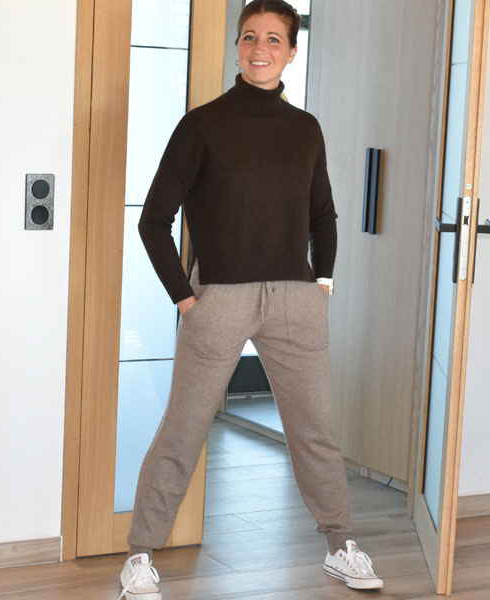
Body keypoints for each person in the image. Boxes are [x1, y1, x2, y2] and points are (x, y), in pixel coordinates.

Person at [118, 1, 383, 598]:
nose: (259, 49)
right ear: (237, 46)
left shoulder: (305, 128)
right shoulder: (201, 126)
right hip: (219, 300)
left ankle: (340, 547)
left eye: (273, 39)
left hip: (296, 300)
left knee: (315, 431)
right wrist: (186, 299)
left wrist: (322, 284)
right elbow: (153, 220)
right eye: (249, 37)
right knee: (183, 430)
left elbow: (323, 216)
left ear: (291, 52)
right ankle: (139, 555)